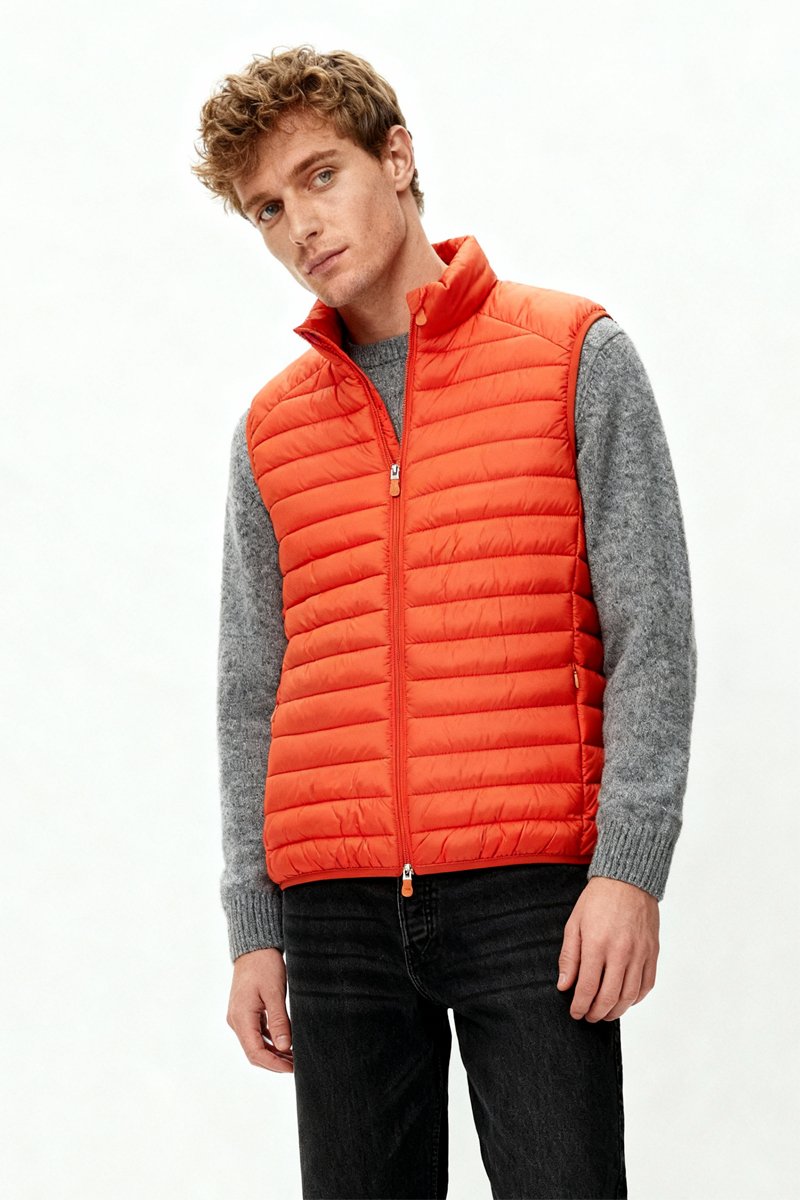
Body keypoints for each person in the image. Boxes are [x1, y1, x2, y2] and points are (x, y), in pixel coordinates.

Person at [192, 45, 697, 1200]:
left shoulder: (572, 355)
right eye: (266, 208)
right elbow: (249, 686)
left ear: (397, 156)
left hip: (531, 896)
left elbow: (651, 629)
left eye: (320, 176)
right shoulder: (270, 430)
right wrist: (253, 925)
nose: (298, 225)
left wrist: (629, 868)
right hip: (334, 916)